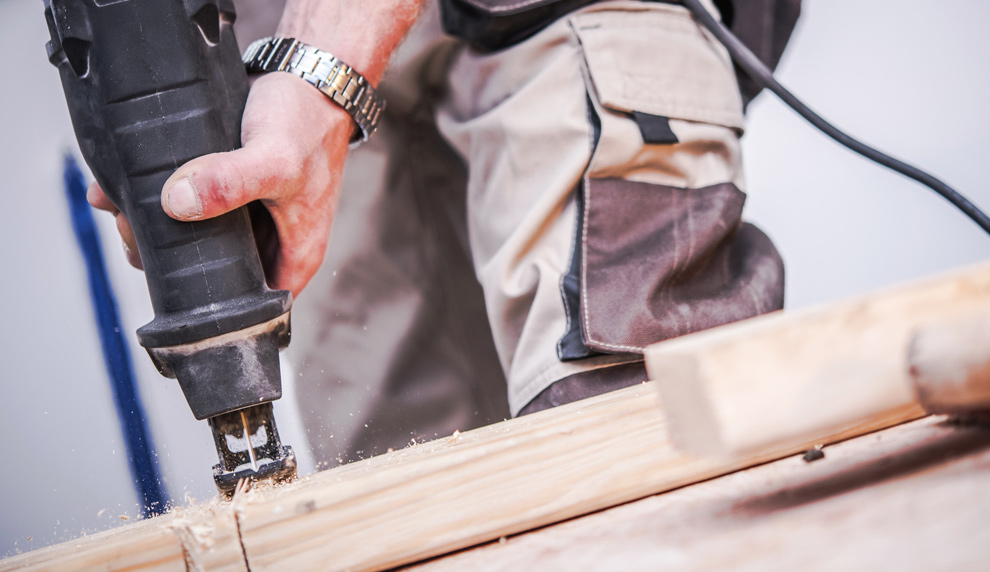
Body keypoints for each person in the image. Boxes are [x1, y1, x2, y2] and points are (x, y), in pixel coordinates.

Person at [88, 0, 799, 467]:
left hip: (548, 18)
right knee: (407, 505)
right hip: (273, 58)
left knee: (634, 453)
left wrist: (324, 52)